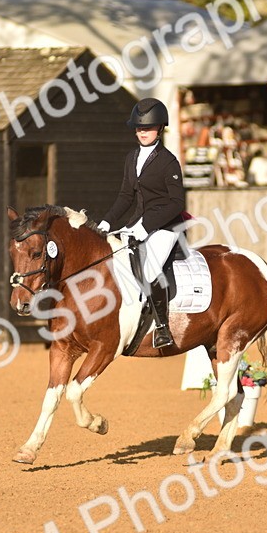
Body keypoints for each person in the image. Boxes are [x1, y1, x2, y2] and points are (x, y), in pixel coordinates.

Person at [98, 97, 185, 349]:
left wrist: (146, 226)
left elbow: (176, 203)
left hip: (165, 226)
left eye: (147, 127)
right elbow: (126, 196)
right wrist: (106, 221)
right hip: (136, 224)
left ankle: (162, 327)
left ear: (160, 129)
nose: (143, 132)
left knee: (148, 270)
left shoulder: (168, 161)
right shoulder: (131, 157)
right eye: (139, 127)